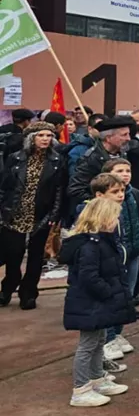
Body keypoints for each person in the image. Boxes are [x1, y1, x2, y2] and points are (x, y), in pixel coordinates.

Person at [62, 197, 133, 407]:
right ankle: (80, 389)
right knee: (87, 345)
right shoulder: (89, 245)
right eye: (114, 217)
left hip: (96, 302)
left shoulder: (100, 242)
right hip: (90, 303)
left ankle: (96, 378)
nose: (117, 221)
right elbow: (89, 276)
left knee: (99, 339)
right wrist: (108, 292)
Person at [0, 122, 66, 310]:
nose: (46, 139)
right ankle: (9, 285)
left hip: (41, 215)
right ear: (31, 138)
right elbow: (4, 186)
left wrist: (55, 214)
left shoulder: (56, 161)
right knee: (13, 254)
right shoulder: (16, 158)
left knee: (36, 257)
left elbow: (59, 190)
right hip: (14, 212)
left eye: (49, 135)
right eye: (41, 135)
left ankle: (28, 293)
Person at [99, 158, 139, 363]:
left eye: (128, 170)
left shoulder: (135, 195)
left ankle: (117, 333)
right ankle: (107, 338)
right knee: (113, 296)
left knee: (127, 295)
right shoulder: (104, 199)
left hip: (133, 252)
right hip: (114, 256)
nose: (125, 174)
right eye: (119, 170)